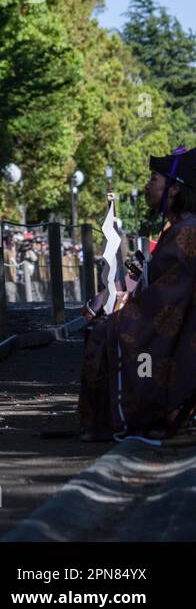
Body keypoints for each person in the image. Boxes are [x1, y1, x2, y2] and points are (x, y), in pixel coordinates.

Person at [79, 146, 196, 442]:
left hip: (183, 323)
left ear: (173, 190)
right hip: (177, 317)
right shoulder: (181, 228)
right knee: (107, 326)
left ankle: (137, 417)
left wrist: (125, 315)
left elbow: (171, 295)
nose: (147, 185)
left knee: (110, 331)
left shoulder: (187, 232)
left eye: (154, 178)